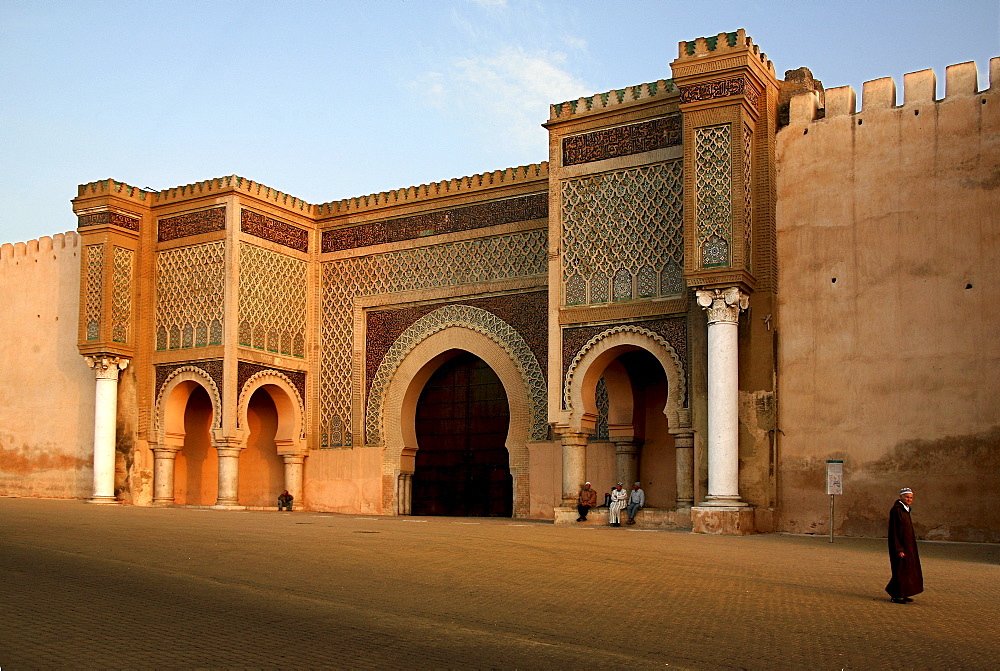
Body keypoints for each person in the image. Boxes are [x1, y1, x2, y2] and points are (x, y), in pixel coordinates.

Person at [885, 487, 923, 604]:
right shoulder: (896, 510)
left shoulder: (906, 510)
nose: (909, 499)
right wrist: (899, 548)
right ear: (901, 497)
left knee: (908, 569)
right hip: (900, 546)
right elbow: (895, 531)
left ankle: (904, 592)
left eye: (911, 497)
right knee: (900, 570)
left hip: (909, 546)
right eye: (907, 497)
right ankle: (895, 594)